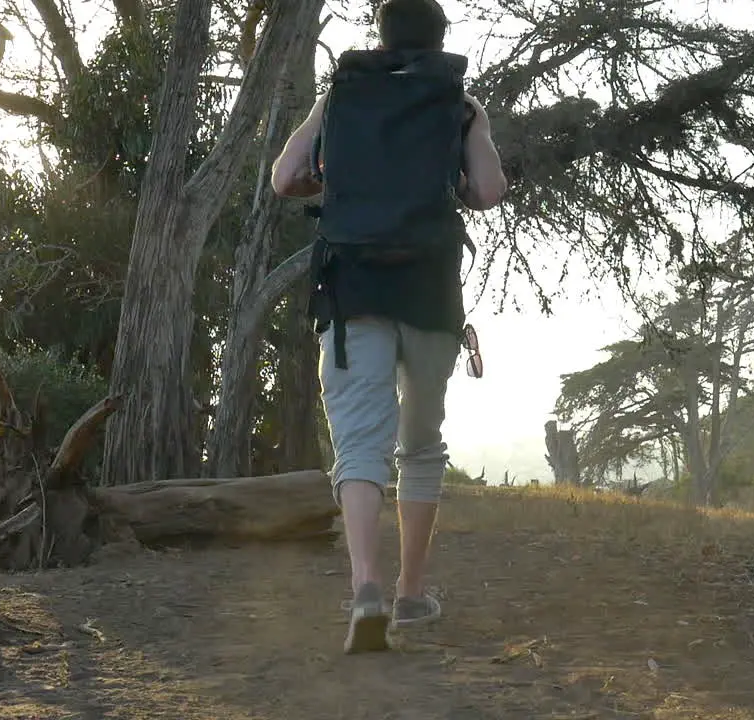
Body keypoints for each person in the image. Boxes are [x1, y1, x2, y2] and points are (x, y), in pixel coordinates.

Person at [270, 0, 508, 654]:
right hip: (430, 294)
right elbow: (487, 191)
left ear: (380, 35)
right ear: (439, 40)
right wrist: (472, 131)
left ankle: (365, 588)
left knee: (359, 444)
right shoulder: (456, 103)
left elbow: (285, 177)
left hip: (352, 294)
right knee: (420, 445)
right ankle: (409, 594)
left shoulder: (343, 96)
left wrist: (331, 165)